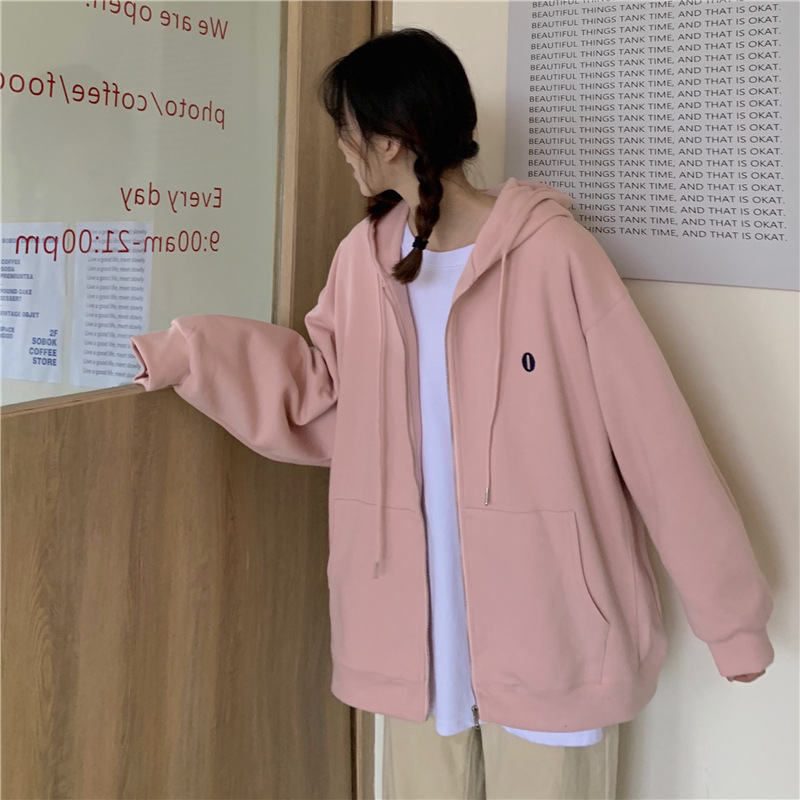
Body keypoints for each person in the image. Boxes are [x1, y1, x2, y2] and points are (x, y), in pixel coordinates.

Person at [130, 28, 774, 800]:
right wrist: (190, 354)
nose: (341, 147)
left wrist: (731, 619)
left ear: (393, 139)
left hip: (554, 639)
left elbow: (655, 439)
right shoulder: (363, 259)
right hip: (411, 643)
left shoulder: (555, 255)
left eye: (347, 128)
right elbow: (322, 398)